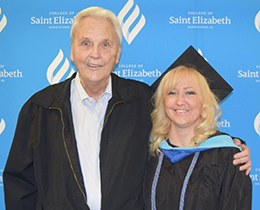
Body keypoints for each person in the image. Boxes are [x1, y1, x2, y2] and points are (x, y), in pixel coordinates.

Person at [3, 6, 251, 210]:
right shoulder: (41, 108)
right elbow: (19, 182)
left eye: (106, 44)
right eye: (86, 43)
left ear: (118, 53)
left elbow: (182, 121)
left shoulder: (141, 99)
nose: (95, 54)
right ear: (72, 50)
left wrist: (230, 146)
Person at [143, 65, 252, 210]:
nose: (180, 101)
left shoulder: (227, 157)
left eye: (190, 93)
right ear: (163, 101)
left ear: (204, 102)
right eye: (172, 93)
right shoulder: (150, 153)